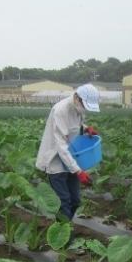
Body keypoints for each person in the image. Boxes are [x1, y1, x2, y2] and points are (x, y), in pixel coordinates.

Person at [35, 83, 100, 221]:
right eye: (84, 104)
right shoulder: (60, 110)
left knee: (75, 200)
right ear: (77, 97)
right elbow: (61, 146)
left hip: (72, 159)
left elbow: (73, 126)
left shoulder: (77, 108)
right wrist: (78, 171)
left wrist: (86, 128)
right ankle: (63, 235)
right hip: (56, 161)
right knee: (63, 201)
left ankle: (64, 228)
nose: (84, 109)